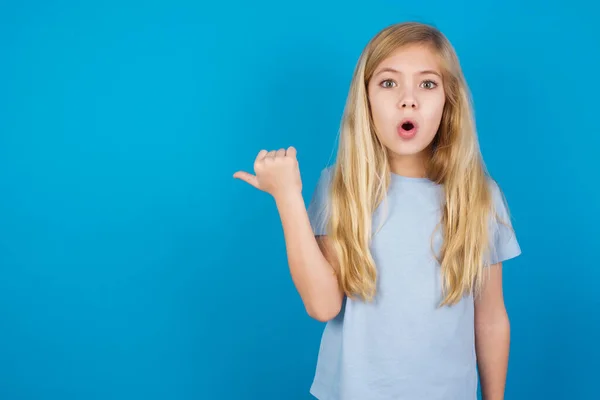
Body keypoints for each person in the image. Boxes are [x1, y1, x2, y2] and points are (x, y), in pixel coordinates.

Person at [233, 21, 521, 400]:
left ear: (449, 100)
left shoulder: (479, 196)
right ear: (365, 100)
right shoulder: (341, 189)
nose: (408, 99)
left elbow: (491, 318)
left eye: (427, 84)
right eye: (389, 83)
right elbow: (322, 306)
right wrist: (288, 198)